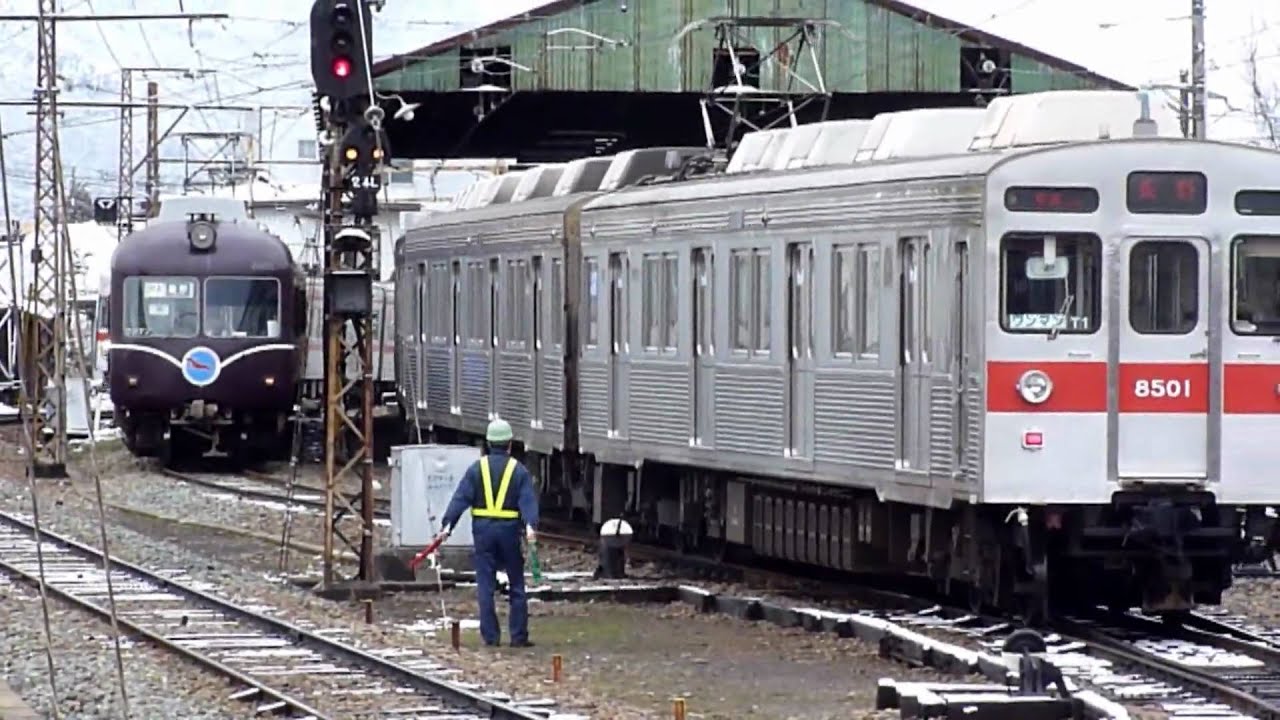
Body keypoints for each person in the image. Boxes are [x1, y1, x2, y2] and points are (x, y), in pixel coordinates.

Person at [435, 418, 539, 647]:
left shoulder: (476, 469)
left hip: (483, 532)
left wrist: (447, 526)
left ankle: (491, 637)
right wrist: (531, 526)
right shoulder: (518, 471)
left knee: (485, 584)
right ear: (510, 444)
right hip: (510, 532)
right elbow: (528, 503)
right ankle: (518, 637)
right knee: (517, 584)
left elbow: (460, 499)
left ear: (488, 443)